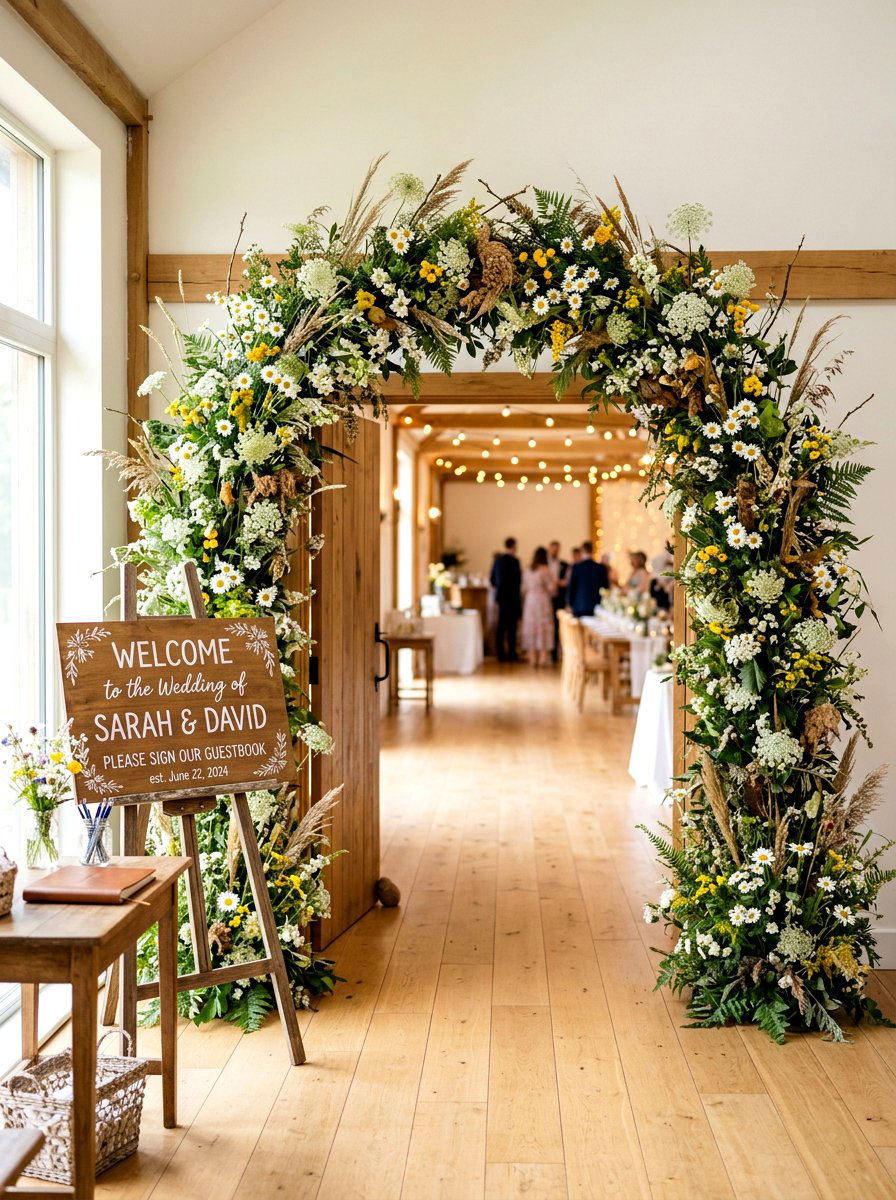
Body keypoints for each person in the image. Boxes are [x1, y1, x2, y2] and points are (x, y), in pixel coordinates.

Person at [521, 546, 558, 667]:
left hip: (530, 601)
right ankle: (542, 657)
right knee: (542, 627)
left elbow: (523, 589)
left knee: (532, 626)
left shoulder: (527, 570)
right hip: (542, 600)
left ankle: (532, 657)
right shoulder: (545, 570)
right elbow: (552, 589)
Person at [490, 536, 522, 662]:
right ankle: (512, 653)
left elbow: (492, 580)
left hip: (502, 599)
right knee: (512, 628)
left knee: (501, 627)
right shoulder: (515, 562)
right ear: (513, 547)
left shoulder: (498, 561)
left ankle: (500, 654)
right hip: (513, 598)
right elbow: (518, 581)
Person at [567, 540, 609, 617]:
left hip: (579, 606)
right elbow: (605, 587)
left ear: (582, 551)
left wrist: (570, 604)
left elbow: (572, 588)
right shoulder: (600, 568)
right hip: (596, 606)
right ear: (592, 550)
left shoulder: (576, 567)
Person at [547, 540, 569, 664]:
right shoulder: (543, 565)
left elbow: (567, 581)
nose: (555, 551)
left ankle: (556, 652)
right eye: (553, 548)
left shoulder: (564, 565)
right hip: (546, 599)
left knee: (557, 626)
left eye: (557, 549)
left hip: (559, 599)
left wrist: (560, 583)